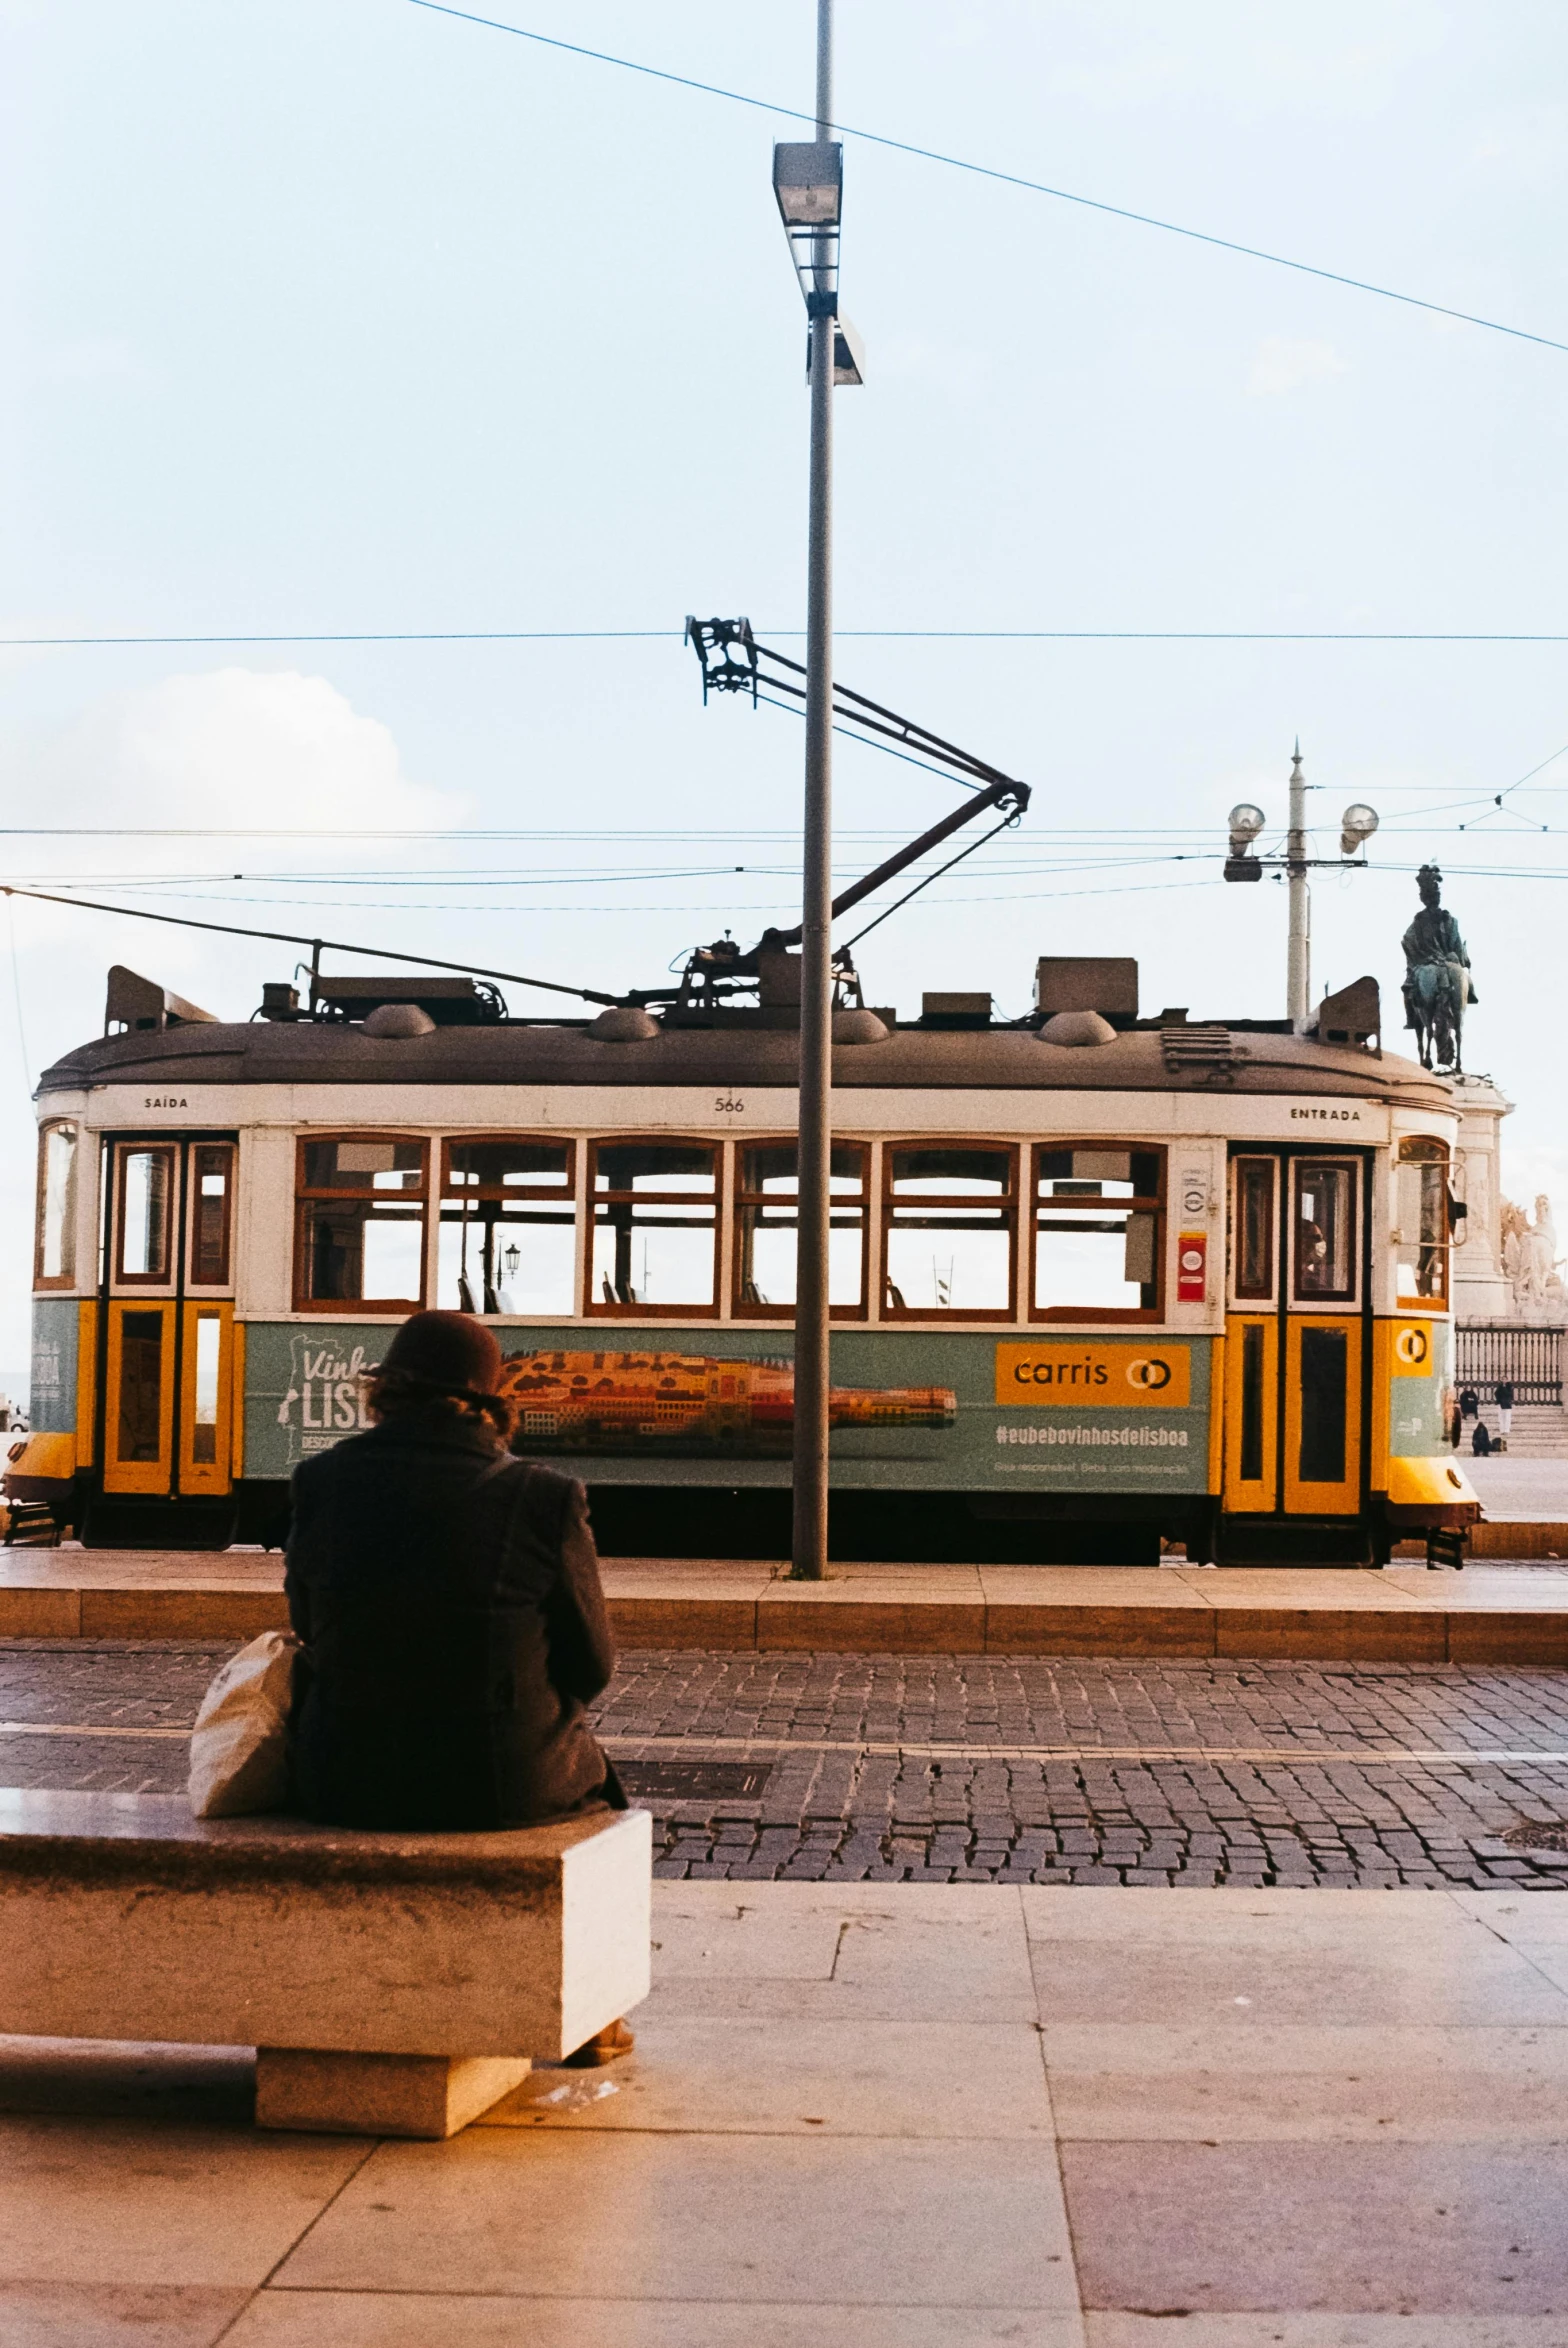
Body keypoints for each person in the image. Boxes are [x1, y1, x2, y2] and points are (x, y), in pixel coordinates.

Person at [285, 1309, 634, 2066]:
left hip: (345, 1775)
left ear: (386, 1392)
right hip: (496, 1782)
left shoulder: (320, 1481)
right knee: (599, 1787)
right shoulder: (546, 1496)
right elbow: (593, 1667)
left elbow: (307, 1623)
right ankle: (583, 2017)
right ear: (493, 1402)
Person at [1495, 1380, 1515, 1450]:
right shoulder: (1500, 1386)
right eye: (1503, 1379)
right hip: (1501, 1403)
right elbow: (1496, 1393)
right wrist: (1499, 1399)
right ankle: (1502, 1430)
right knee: (1501, 1417)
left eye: (1505, 1379)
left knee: (1507, 1417)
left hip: (1507, 1403)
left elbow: (1509, 1394)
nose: (1504, 1380)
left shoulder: (1509, 1386)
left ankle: (1506, 1430)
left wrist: (1504, 1388)